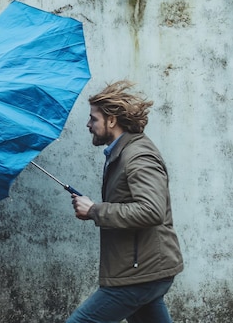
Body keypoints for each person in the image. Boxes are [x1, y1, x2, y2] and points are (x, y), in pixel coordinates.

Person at [67, 80, 183, 323]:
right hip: (142, 269)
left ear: (112, 120)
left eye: (93, 119)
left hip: (140, 273)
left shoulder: (138, 156)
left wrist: (95, 211)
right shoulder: (122, 153)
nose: (88, 124)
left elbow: (152, 210)